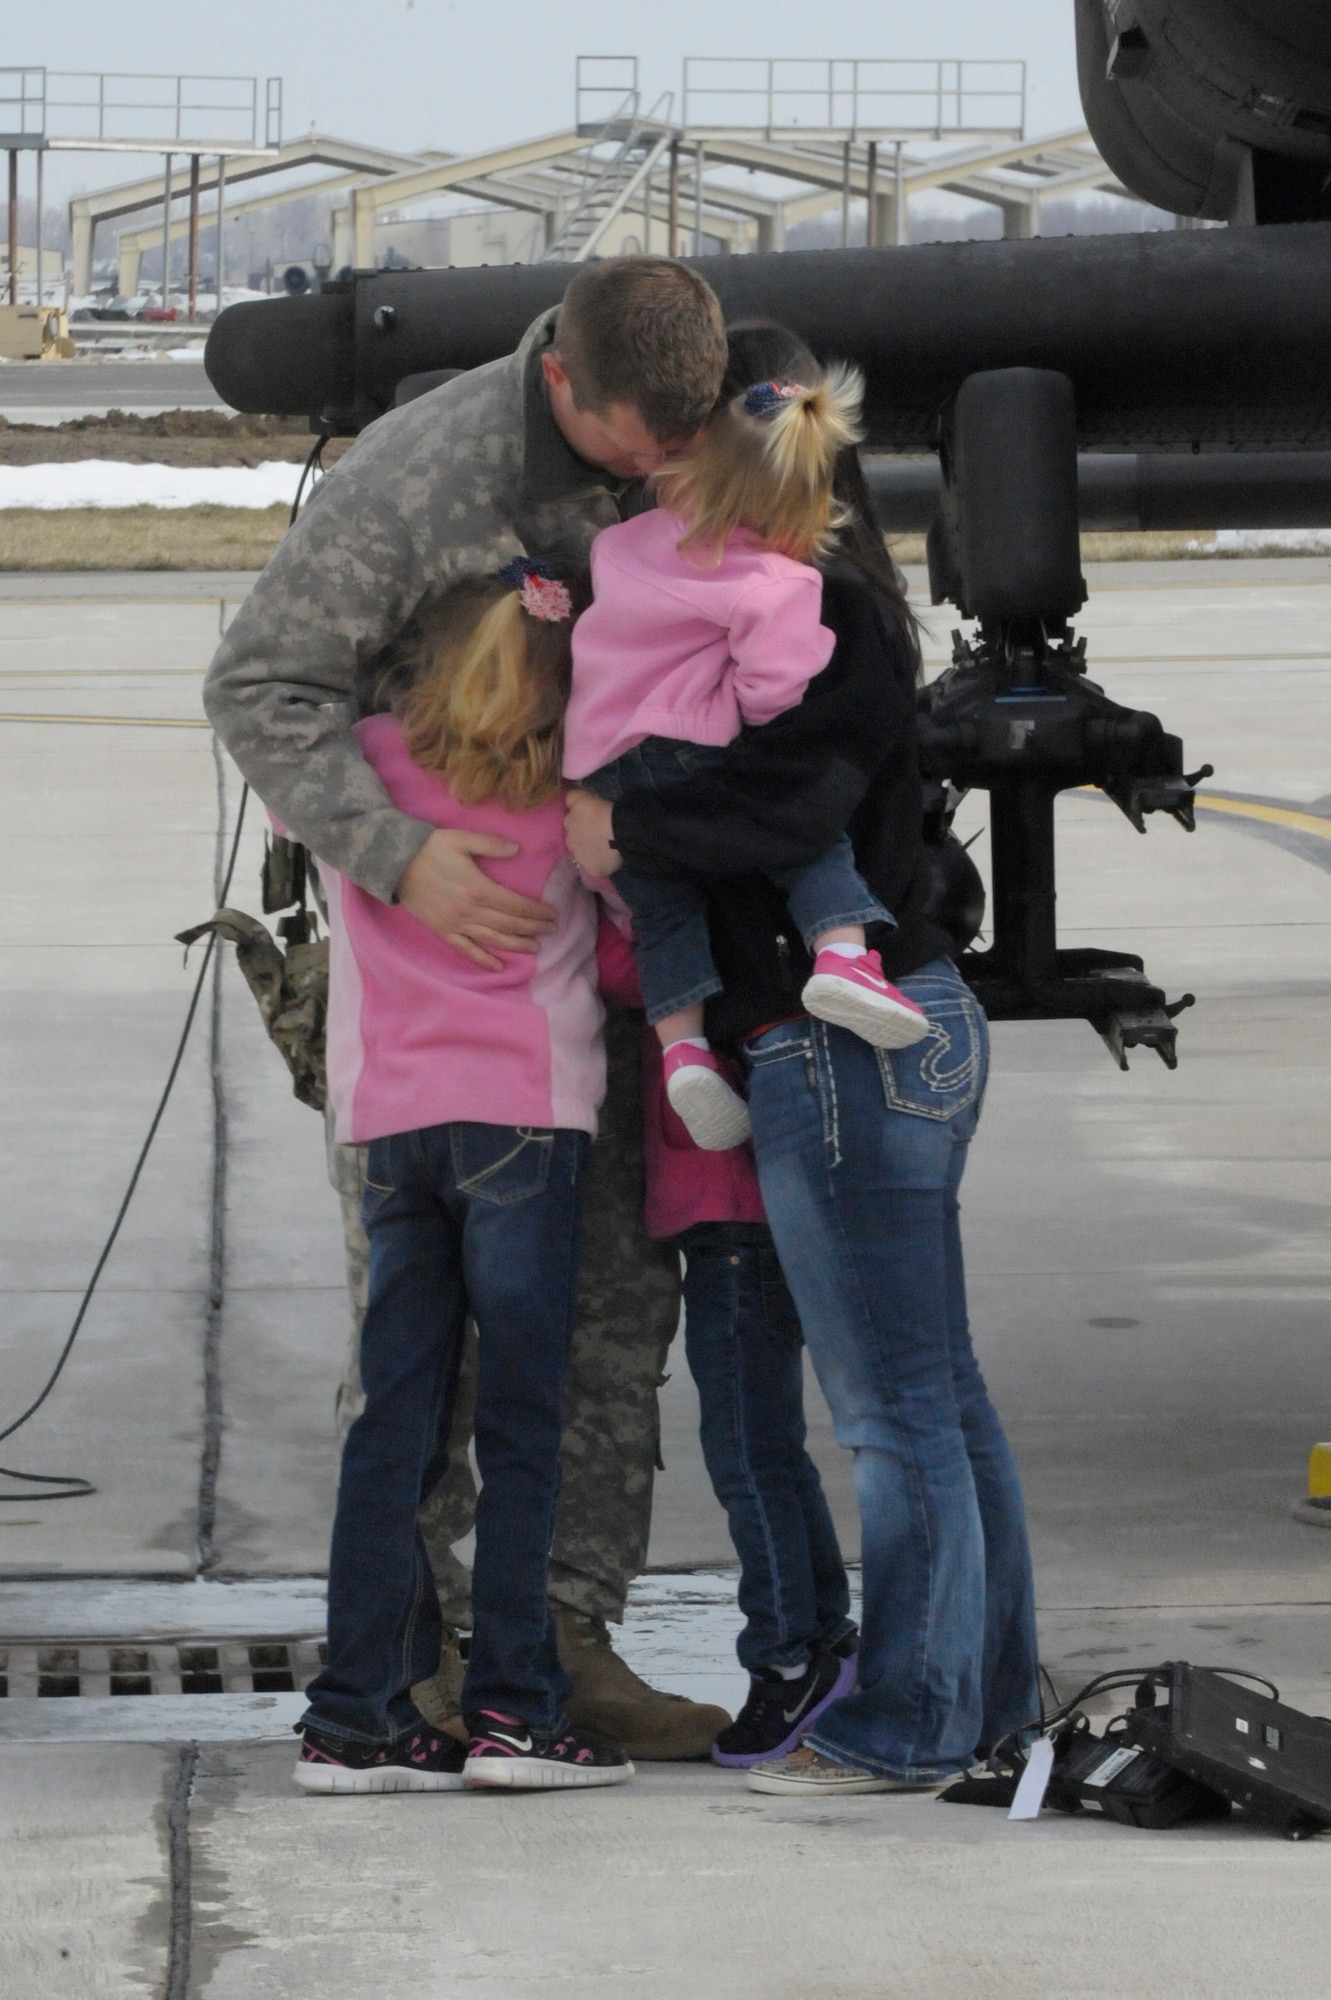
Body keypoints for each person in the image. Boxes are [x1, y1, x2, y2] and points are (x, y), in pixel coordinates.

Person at [204, 257, 731, 1759]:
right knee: (419, 1358)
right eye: (632, 446)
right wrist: (397, 856)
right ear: (562, 381)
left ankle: (562, 1642)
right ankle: (416, 1656)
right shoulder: (418, 478)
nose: (653, 477)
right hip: (434, 984)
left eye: (674, 450)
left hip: (615, 977)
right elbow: (261, 685)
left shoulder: (692, 442)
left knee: (611, 1325)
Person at [565, 319, 1040, 1797]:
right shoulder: (804, 596)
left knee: (893, 1418)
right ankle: (982, 1688)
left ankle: (901, 1719)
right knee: (937, 1396)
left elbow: (777, 809)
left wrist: (623, 832)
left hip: (845, 1053)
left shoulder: (811, 609)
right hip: (888, 1041)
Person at [298, 564, 633, 1793]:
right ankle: (515, 1709)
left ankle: (356, 1711)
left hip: (392, 1126)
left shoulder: (368, 762)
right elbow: (628, 893)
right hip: (523, 1126)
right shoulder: (563, 796)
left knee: (395, 1421)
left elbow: (287, 796)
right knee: (521, 1425)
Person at [564, 367, 929, 1152]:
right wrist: (753, 713)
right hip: (688, 745)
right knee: (810, 847)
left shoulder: (619, 545)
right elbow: (772, 695)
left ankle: (684, 1051)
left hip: (599, 761)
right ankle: (840, 957)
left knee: (664, 914)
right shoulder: (777, 582)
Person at [605, 907, 859, 1767]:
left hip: (735, 1224)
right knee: (768, 1448)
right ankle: (824, 1637)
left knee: (747, 1451)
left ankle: (787, 1657)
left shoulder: (671, 916)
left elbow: (618, 969)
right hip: (738, 1223)